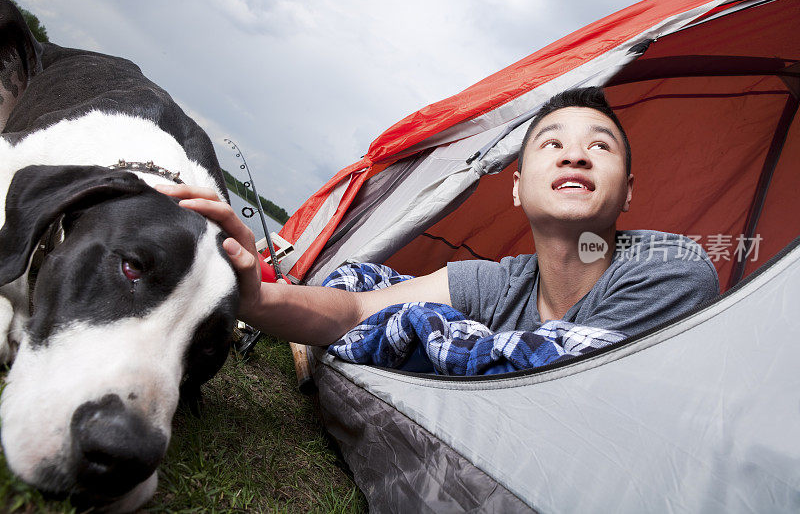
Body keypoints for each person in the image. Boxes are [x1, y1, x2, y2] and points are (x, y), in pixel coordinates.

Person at [156, 87, 719, 347]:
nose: (574, 154)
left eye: (600, 146)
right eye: (551, 143)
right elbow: (355, 308)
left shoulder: (670, 270)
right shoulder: (498, 284)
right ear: (518, 190)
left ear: (627, 195)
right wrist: (259, 298)